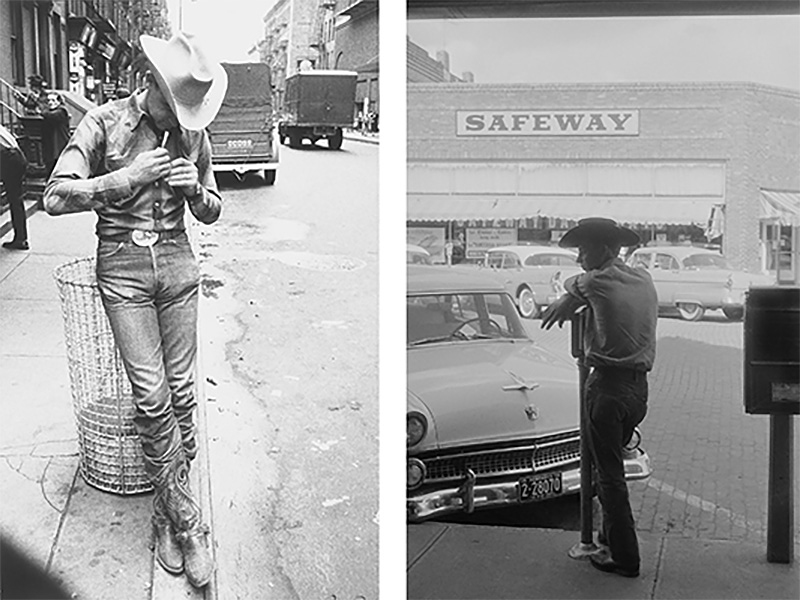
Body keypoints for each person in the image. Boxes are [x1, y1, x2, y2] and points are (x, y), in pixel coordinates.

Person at [43, 31, 228, 589]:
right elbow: (54, 195)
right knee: (151, 395)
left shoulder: (193, 135)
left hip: (177, 261)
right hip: (122, 263)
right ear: (151, 84)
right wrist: (125, 179)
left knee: (184, 392)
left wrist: (196, 191)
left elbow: (215, 209)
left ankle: (167, 512)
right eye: (176, 107)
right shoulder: (102, 122)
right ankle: (190, 524)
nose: (182, 121)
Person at [541, 217, 657, 579]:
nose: (578, 258)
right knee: (613, 467)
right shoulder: (644, 278)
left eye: (584, 249)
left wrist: (568, 297)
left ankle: (624, 556)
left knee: (608, 477)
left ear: (606, 250)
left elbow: (574, 282)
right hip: (639, 391)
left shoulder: (595, 281)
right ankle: (609, 537)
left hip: (606, 388)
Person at [0, 123, 29, 250]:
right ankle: (21, 239)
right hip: (17, 157)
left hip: (8, 159)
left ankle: (20, 239)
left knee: (14, 199)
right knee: (16, 200)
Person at [41, 91, 71, 178]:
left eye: (53, 100)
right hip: (50, 146)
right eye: (49, 100)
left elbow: (51, 116)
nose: (50, 103)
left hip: (59, 145)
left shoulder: (62, 111)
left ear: (59, 102)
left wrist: (41, 111)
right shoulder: (49, 111)